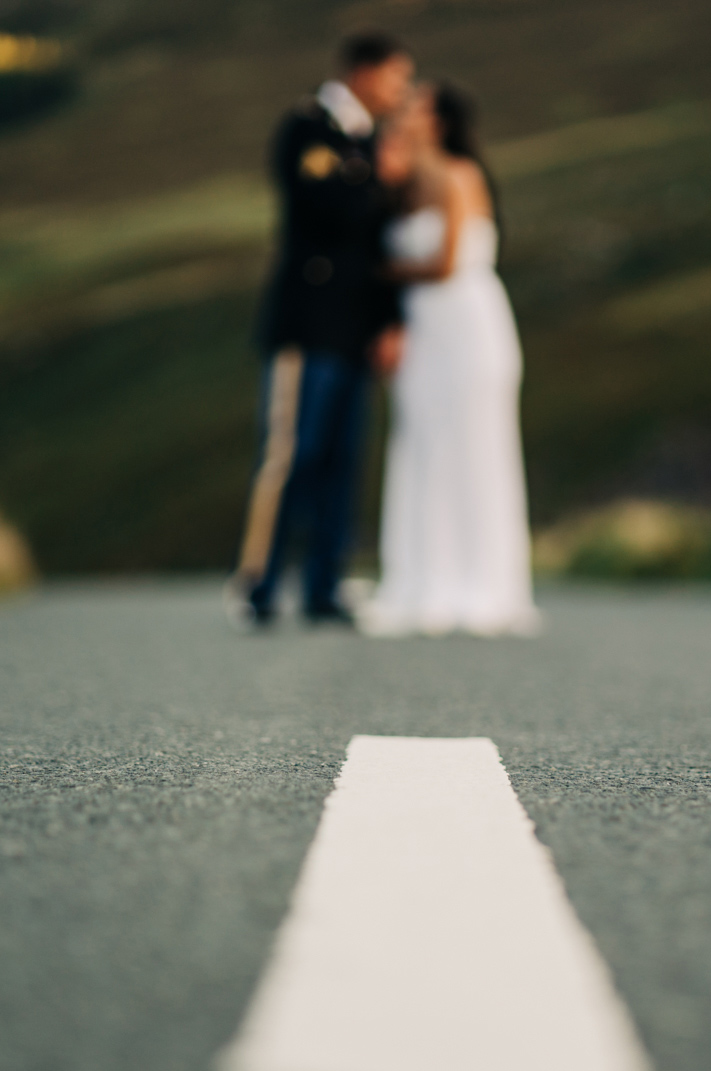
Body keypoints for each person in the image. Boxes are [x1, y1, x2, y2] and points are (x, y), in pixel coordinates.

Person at [229, 30, 413, 630]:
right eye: (394, 77)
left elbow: (381, 246)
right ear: (362, 71)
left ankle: (323, 584)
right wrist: (373, 176)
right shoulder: (308, 126)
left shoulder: (373, 143)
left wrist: (390, 322)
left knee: (342, 461)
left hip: (357, 331)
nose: (400, 91)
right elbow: (322, 208)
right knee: (291, 454)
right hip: (308, 327)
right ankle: (260, 577)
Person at [363, 82, 541, 638]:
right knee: (424, 445)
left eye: (415, 107)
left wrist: (376, 270)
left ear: (437, 122)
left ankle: (478, 583)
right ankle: (423, 576)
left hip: (463, 327)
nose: (403, 113)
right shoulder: (408, 180)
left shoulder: (455, 176)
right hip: (426, 332)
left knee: (471, 447)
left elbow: (442, 266)